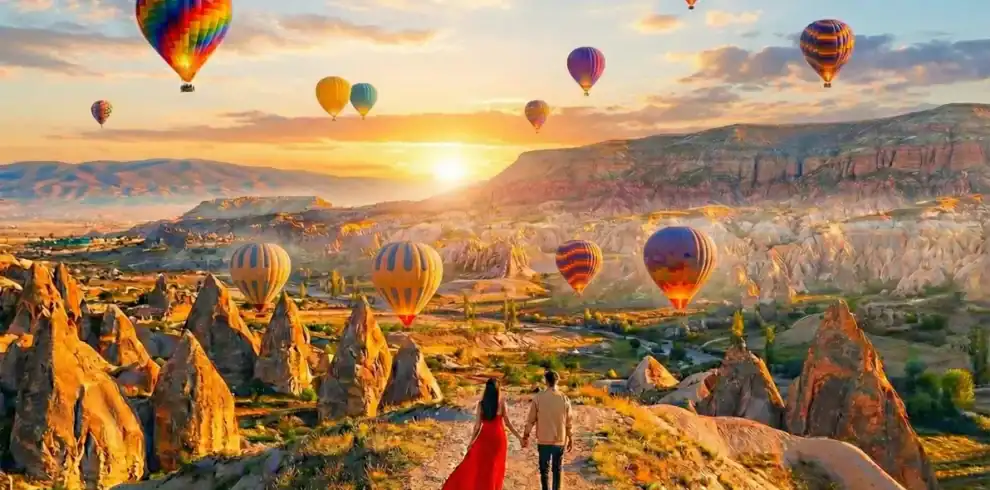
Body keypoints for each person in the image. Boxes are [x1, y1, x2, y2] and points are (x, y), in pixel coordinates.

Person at [442, 377, 522, 490]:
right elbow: (508, 423)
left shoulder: (481, 404)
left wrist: (471, 442)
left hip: (484, 438)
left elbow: (477, 427)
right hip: (498, 439)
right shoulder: (501, 403)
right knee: (495, 467)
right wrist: (519, 437)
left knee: (480, 466)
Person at [522, 369, 573, 490]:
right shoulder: (564, 398)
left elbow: (531, 420)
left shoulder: (538, 398)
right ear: (557, 381)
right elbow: (569, 421)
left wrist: (526, 435)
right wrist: (570, 437)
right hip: (559, 440)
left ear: (546, 381)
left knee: (544, 470)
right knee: (557, 469)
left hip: (543, 439)